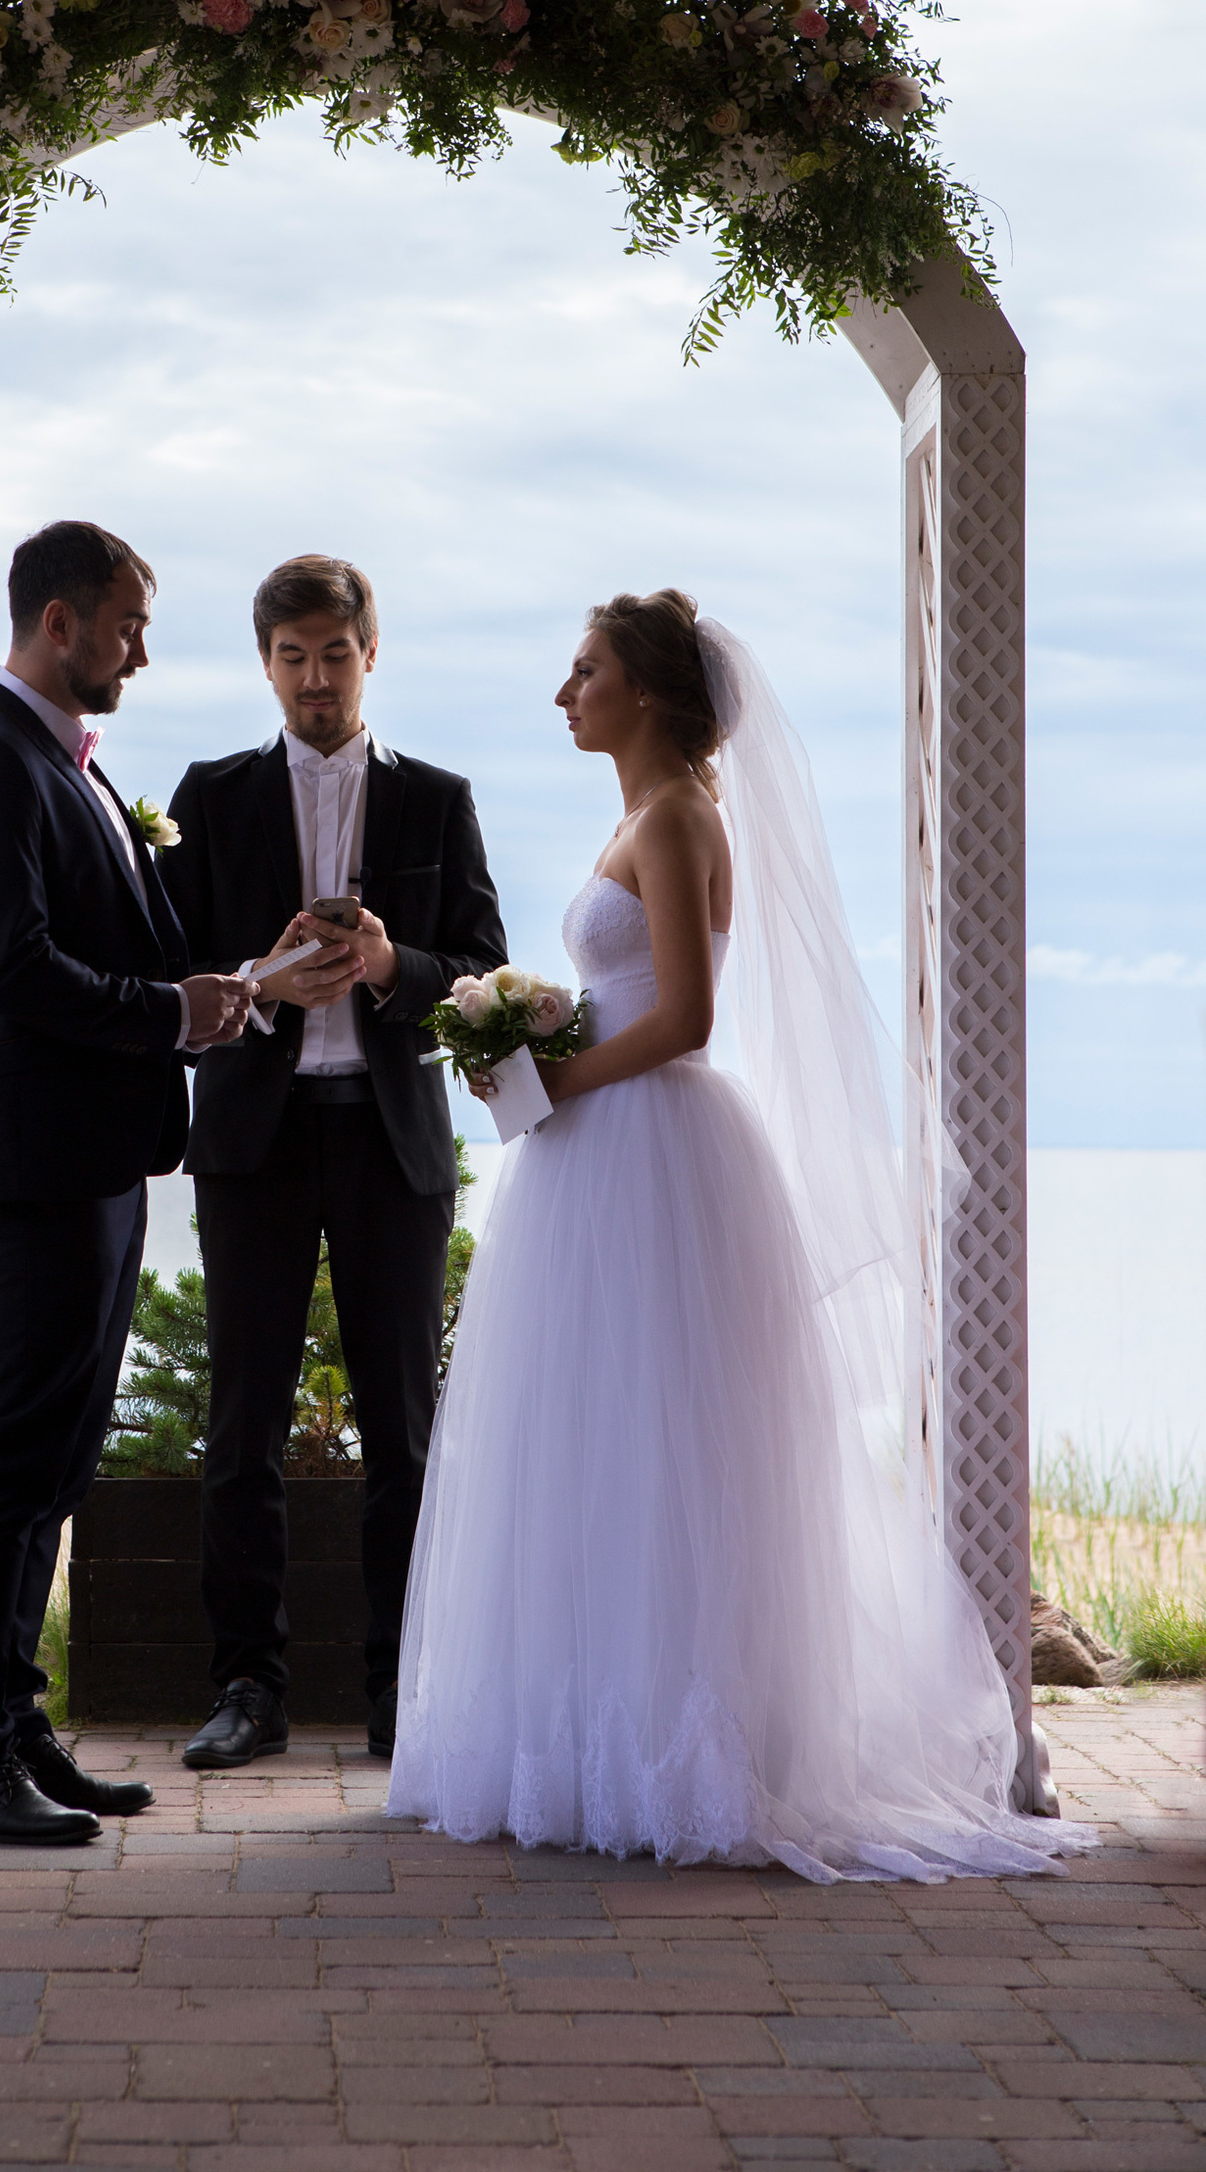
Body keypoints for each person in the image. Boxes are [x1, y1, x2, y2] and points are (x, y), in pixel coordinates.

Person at [388, 589, 1099, 1881]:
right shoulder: (640, 813)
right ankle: (594, 1728)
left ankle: (680, 1745)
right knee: (595, 1441)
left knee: (663, 1438)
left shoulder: (674, 816)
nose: (565, 692)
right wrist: (535, 1050)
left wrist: (545, 1073)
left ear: (646, 695)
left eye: (583, 669)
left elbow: (686, 1019)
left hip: (648, 1142)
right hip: (601, 1155)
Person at [0, 521, 254, 1846]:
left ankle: (14, 1723)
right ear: (57, 623)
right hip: (36, 1160)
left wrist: (234, 976)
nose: (141, 651)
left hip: (100, 1159)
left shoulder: (78, 777)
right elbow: (14, 970)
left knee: (55, 1461)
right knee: (12, 1457)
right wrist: (170, 1013)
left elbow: (130, 941)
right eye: (127, 625)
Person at [155, 556, 508, 1769]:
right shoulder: (205, 795)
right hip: (251, 1139)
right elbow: (171, 967)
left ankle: (400, 1693)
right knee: (239, 1422)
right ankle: (245, 1690)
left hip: (387, 1135)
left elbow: (484, 972)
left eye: (335, 655)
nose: (315, 678)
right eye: (293, 657)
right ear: (265, 662)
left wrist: (387, 968)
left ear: (371, 654)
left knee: (402, 1428)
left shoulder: (438, 800)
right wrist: (258, 979)